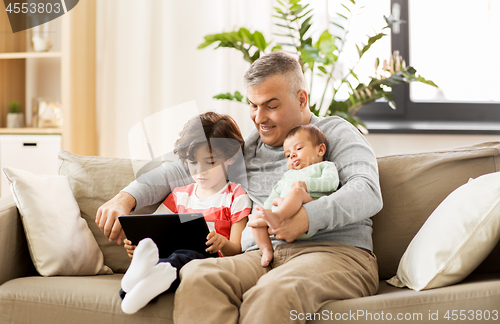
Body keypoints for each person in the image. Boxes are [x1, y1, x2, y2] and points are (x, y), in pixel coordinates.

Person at [96, 52, 383, 324]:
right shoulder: (249, 149)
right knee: (198, 274)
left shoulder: (335, 133)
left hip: (334, 253)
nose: (259, 117)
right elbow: (182, 169)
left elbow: (367, 190)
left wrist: (307, 219)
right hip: (258, 256)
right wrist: (126, 197)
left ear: (302, 99)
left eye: (271, 105)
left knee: (274, 291)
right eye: (253, 105)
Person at [116, 111, 251, 314]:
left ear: (231, 158)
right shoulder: (179, 195)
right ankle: (133, 288)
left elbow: (238, 248)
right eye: (193, 163)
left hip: (207, 264)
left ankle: (145, 281)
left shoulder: (236, 196)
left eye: (210, 162)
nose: (200, 171)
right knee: (166, 256)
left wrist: (222, 243)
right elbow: (154, 230)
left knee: (184, 256)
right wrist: (139, 243)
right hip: (169, 257)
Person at [252, 124, 339, 267]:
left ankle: (278, 217)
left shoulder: (324, 166)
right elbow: (273, 196)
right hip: (282, 219)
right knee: (257, 215)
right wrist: (265, 212)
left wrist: (306, 185)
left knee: (297, 192)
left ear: (320, 150)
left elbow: (331, 183)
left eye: (298, 149)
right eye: (287, 155)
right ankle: (266, 249)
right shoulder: (288, 175)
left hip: (308, 212)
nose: (292, 155)